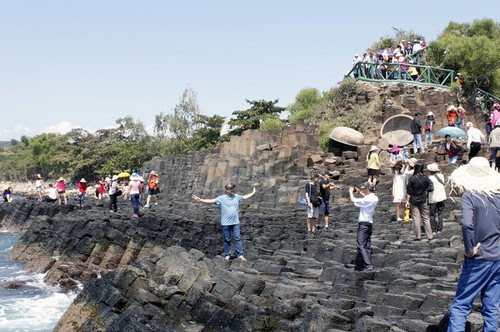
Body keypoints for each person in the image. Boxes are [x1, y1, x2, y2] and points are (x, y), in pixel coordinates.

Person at [447, 157, 500, 331]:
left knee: (460, 306)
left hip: (479, 257)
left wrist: (469, 249)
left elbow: (466, 224)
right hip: (497, 257)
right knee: (492, 307)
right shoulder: (498, 197)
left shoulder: (470, 196)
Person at [192, 183, 257, 261]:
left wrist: (253, 193)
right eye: (231, 189)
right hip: (225, 223)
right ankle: (227, 254)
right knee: (227, 239)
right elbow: (211, 201)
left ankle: (240, 255)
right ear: (226, 190)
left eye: (233, 188)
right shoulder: (221, 198)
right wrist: (201, 200)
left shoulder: (236, 197)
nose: (232, 190)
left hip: (235, 222)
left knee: (237, 238)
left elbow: (245, 197)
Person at [349, 182, 378, 272]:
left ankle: (368, 265)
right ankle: (368, 264)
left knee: (361, 244)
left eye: (363, 188)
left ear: (367, 188)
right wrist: (360, 193)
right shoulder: (375, 198)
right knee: (367, 245)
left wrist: (350, 191)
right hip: (369, 224)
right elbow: (366, 197)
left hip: (363, 224)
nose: (362, 189)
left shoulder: (367, 200)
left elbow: (353, 200)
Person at [406, 163, 434, 241]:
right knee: (425, 217)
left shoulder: (412, 179)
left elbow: (409, 191)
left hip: (414, 199)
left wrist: (407, 201)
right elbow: (431, 187)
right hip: (423, 198)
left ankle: (418, 236)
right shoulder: (426, 178)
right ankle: (430, 235)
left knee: (416, 218)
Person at [427, 163, 446, 234]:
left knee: (432, 214)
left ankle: (433, 229)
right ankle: (440, 228)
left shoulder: (429, 178)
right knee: (440, 213)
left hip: (433, 198)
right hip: (441, 197)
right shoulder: (441, 176)